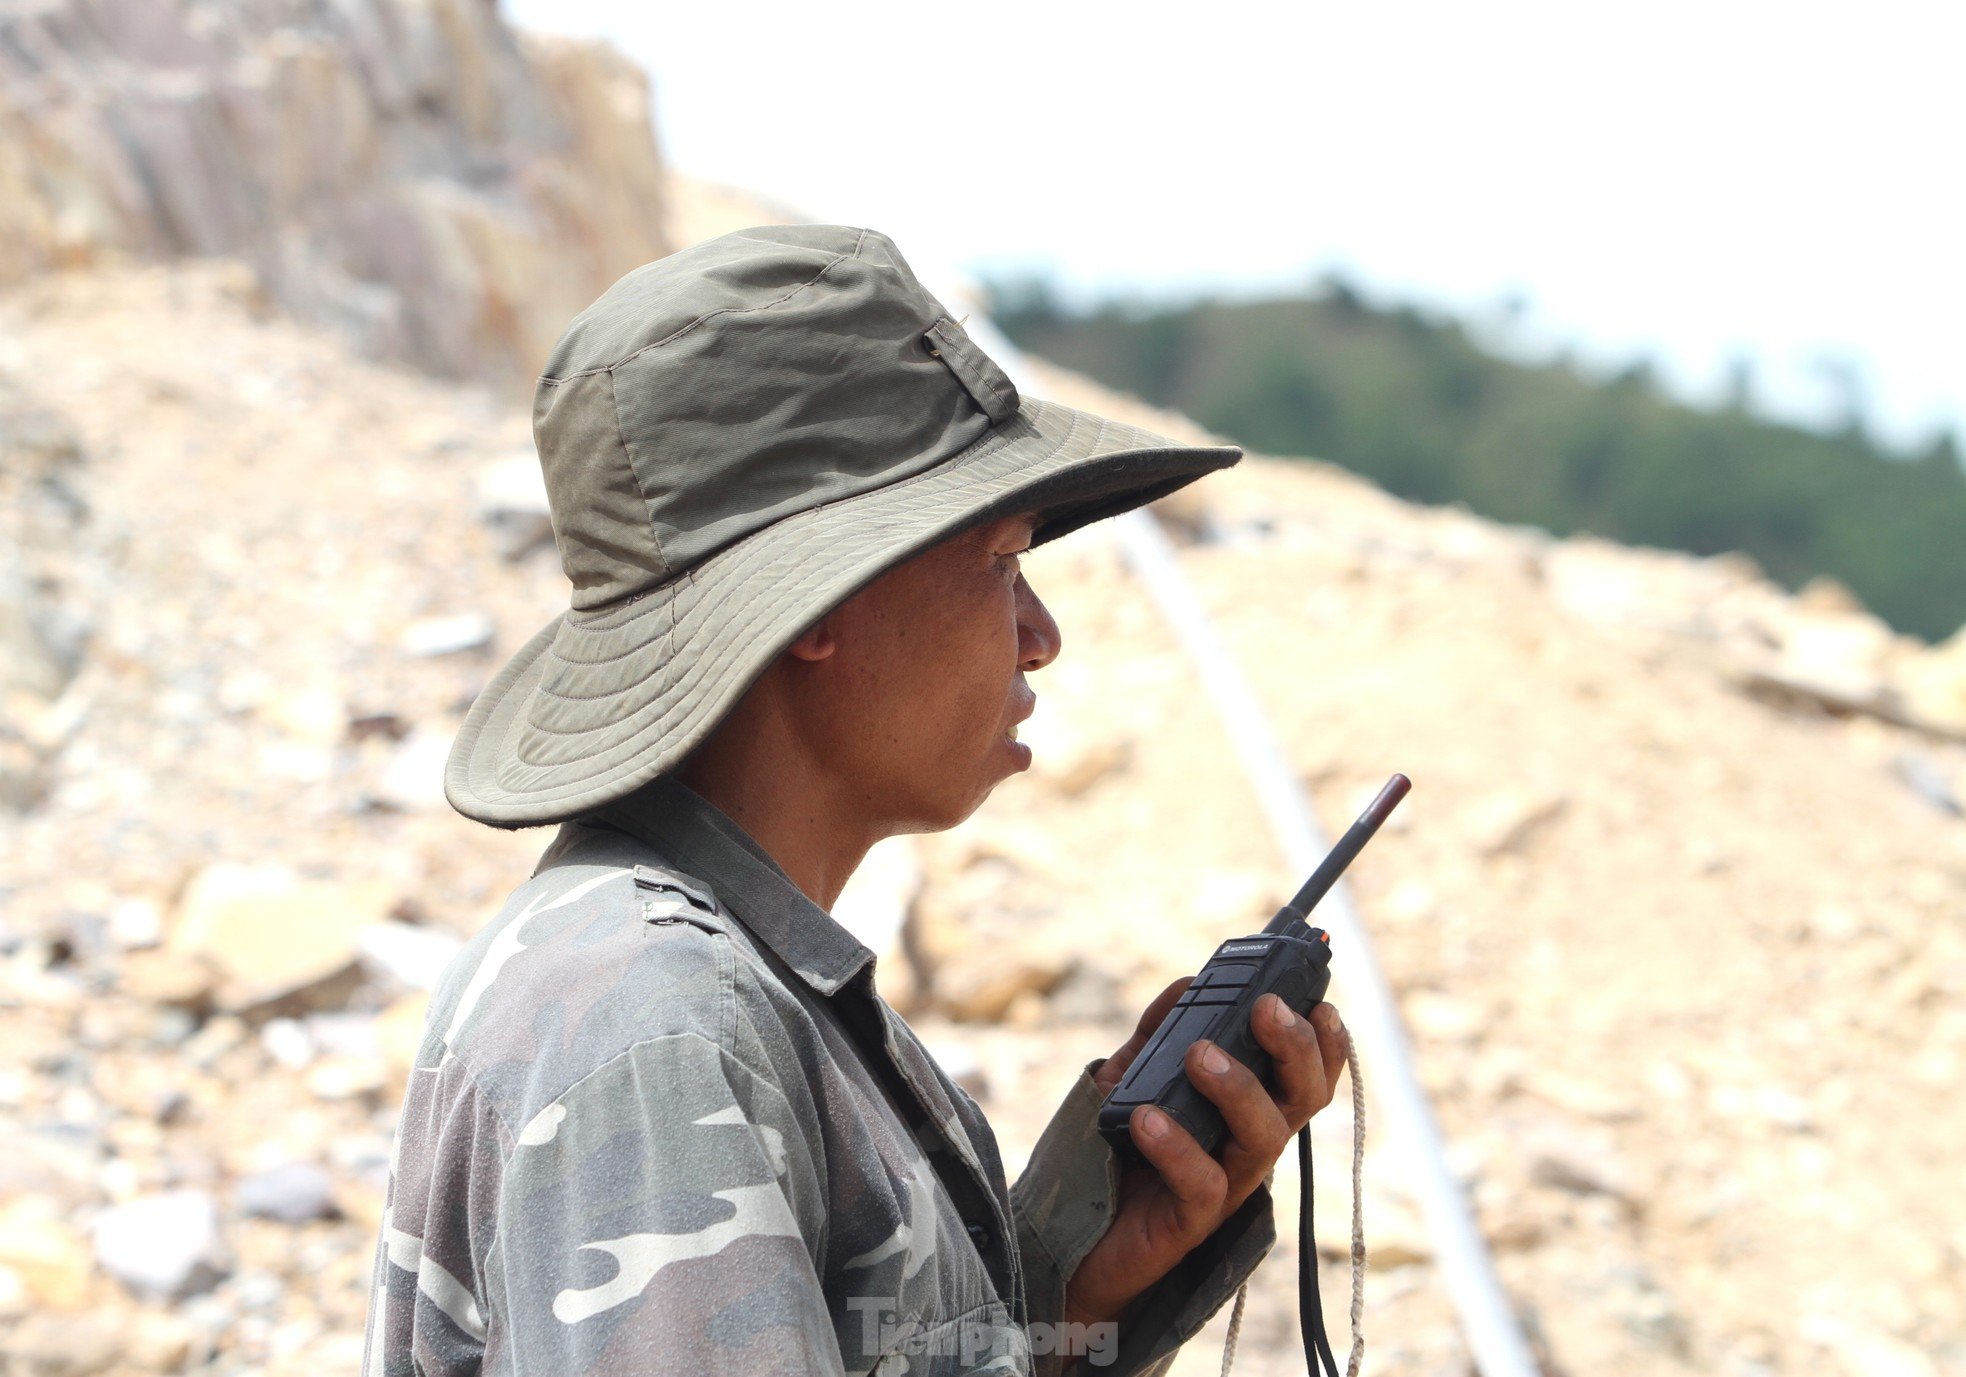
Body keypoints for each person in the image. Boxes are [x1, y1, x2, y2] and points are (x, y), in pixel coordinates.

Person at [362, 225, 1350, 1376]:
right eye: (997, 563)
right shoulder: (665, 1020)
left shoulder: (743, 991)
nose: (1040, 635)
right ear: (817, 607)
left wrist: (1079, 1276)